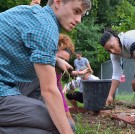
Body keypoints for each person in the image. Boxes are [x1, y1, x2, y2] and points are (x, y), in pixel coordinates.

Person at [0, 0, 91, 133]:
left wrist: (55, 60)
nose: (78, 20)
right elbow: (49, 91)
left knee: (44, 76)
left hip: (7, 80)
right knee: (63, 126)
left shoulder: (31, 13)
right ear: (58, 2)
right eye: (76, 11)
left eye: (81, 15)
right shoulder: (46, 28)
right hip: (3, 89)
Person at [18, 33, 77, 131]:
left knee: (70, 126)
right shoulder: (36, 60)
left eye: (65, 60)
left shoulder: (57, 71)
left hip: (37, 102)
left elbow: (59, 93)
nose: (63, 63)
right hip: (20, 98)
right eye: (60, 58)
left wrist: (68, 116)